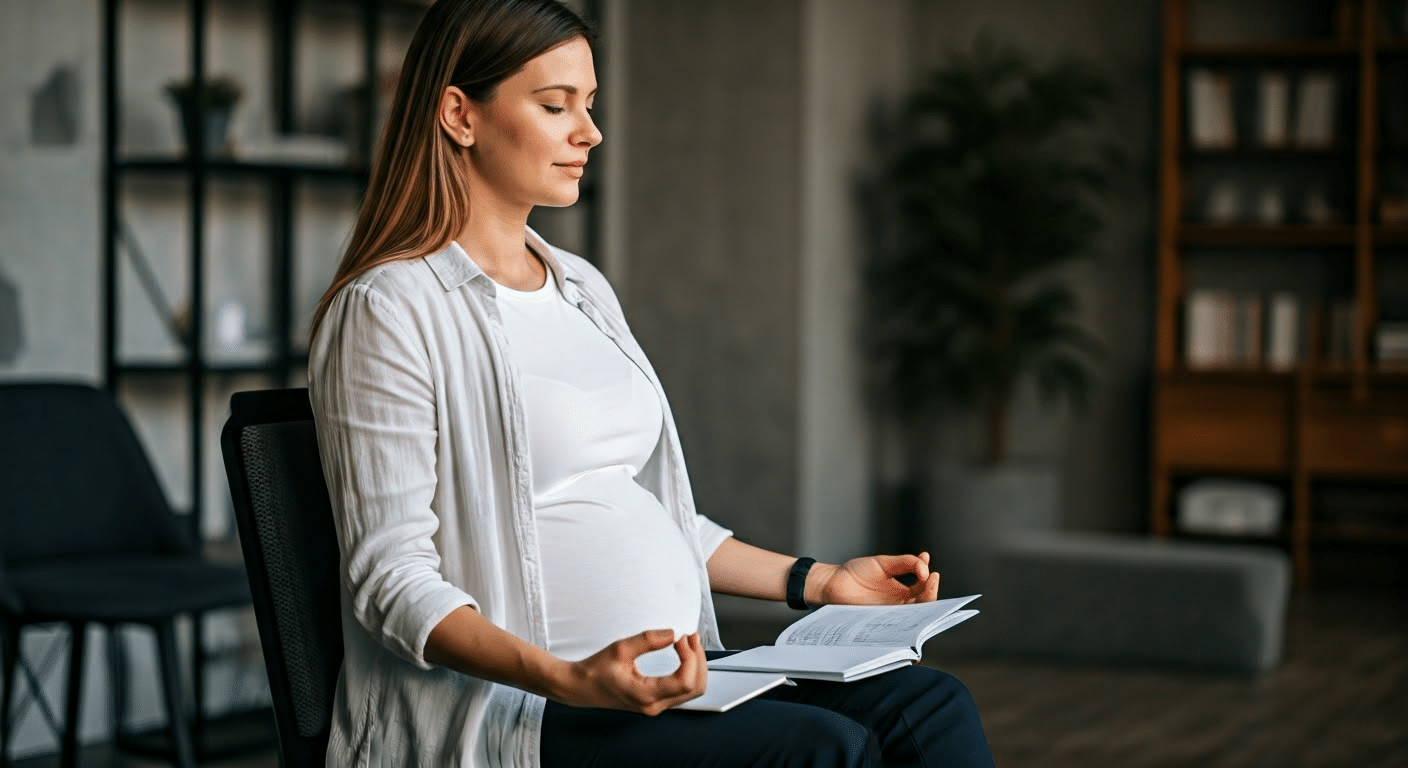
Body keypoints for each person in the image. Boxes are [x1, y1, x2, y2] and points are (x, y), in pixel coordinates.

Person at [307, 0, 995, 765]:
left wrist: (819, 580)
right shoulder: (389, 309)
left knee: (928, 705)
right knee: (820, 750)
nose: (589, 132)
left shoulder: (579, 287)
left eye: (589, 105)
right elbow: (390, 579)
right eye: (554, 105)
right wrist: (567, 678)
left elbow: (654, 512)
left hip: (672, 677)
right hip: (526, 713)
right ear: (459, 114)